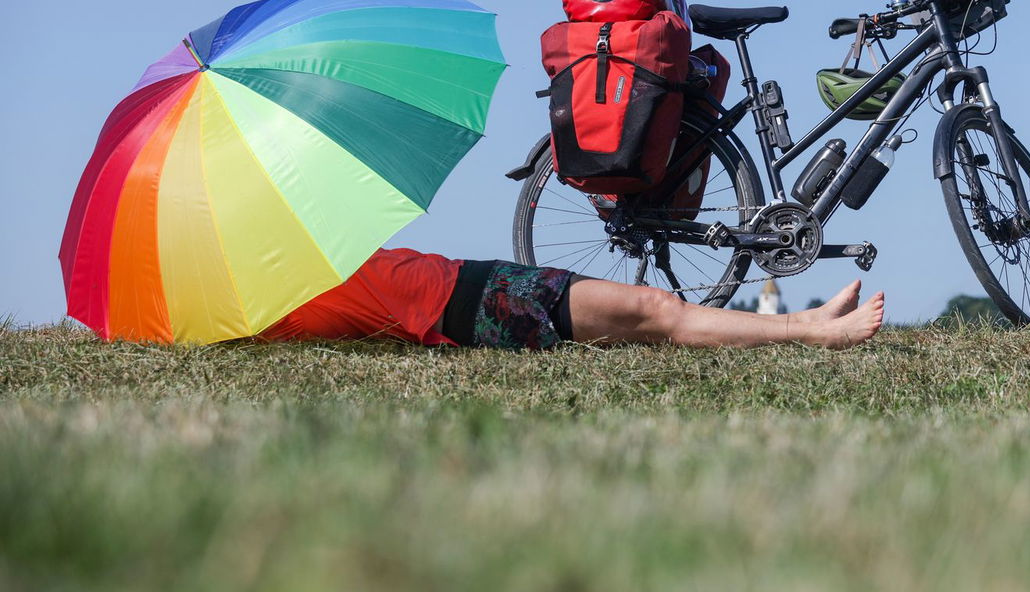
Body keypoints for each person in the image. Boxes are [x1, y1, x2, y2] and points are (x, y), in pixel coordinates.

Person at [261, 248, 884, 350]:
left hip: (474, 283)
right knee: (654, 311)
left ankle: (805, 320)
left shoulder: (282, 264)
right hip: (479, 304)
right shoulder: (266, 300)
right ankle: (811, 330)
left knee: (648, 318)